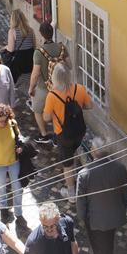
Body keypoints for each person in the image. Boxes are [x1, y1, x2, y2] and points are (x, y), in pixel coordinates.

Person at [76, 136, 127, 254]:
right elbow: (124, 193)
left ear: (93, 151)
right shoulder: (120, 168)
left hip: (96, 221)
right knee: (110, 235)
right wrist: (122, 208)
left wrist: (82, 218)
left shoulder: (84, 174)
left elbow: (81, 202)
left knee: (100, 253)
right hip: (115, 215)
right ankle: (111, 251)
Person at [43, 64, 92, 198]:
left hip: (63, 134)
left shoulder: (52, 96)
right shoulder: (80, 89)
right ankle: (76, 176)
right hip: (79, 131)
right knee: (74, 151)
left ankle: (71, 193)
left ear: (54, 78)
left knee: (67, 164)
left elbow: (46, 117)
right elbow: (89, 105)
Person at [0, 103, 26, 227]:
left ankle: (18, 212)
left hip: (13, 161)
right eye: (0, 121)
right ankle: (4, 210)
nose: (2, 123)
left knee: (17, 186)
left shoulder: (12, 123)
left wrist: (20, 148)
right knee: (1, 187)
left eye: (4, 120)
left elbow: (19, 138)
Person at [28, 21, 68, 144]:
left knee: (37, 110)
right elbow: (70, 65)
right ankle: (58, 136)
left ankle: (44, 135)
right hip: (60, 86)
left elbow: (35, 74)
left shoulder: (39, 52)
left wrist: (31, 88)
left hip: (43, 87)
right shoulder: (62, 47)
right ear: (52, 33)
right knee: (58, 110)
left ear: (41, 34)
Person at [5, 9, 35, 93]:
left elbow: (10, 49)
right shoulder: (30, 30)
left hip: (20, 61)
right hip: (30, 58)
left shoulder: (12, 31)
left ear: (13, 19)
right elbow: (34, 45)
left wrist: (5, 47)